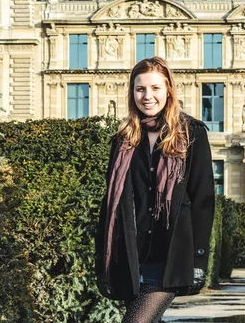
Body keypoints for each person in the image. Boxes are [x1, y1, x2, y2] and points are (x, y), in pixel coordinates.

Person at [95, 56, 215, 323]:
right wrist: (103, 260)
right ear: (132, 93)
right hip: (130, 255)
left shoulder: (191, 134)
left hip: (170, 256)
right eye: (140, 89)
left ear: (168, 91)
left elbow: (203, 201)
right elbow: (110, 204)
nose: (147, 96)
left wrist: (199, 260)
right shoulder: (123, 140)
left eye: (155, 88)